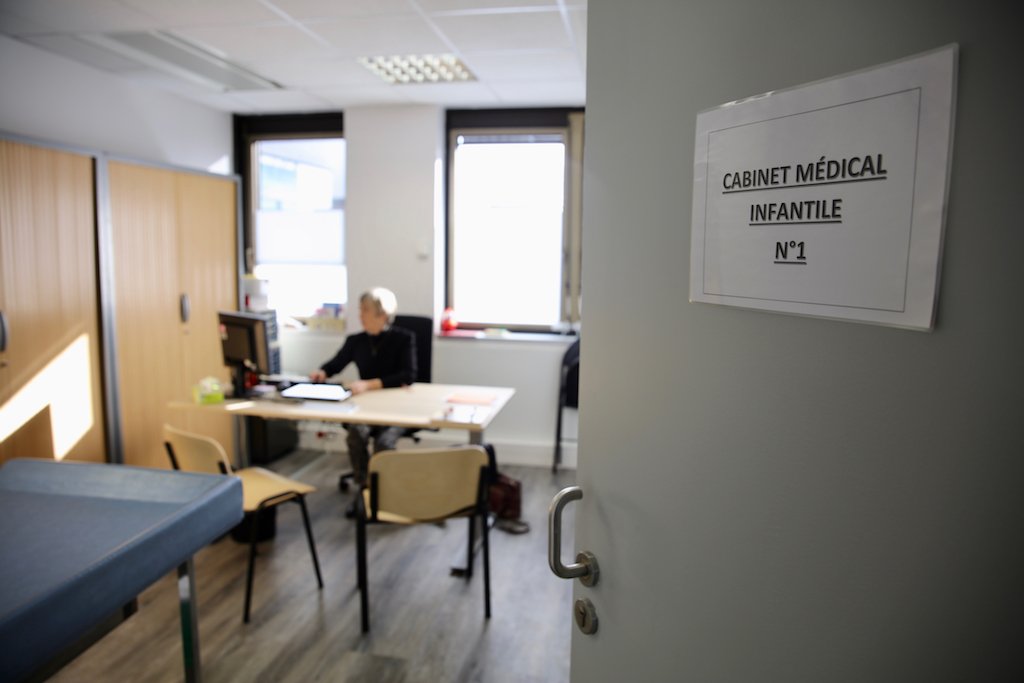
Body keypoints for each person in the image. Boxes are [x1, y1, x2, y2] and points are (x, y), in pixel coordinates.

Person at [310, 287, 416, 510]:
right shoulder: (356, 341)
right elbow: (335, 364)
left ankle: (384, 491)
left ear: (382, 314)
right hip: (365, 408)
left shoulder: (403, 339)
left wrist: (369, 384)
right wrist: (322, 372)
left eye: (365, 310)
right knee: (356, 433)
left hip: (397, 409)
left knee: (384, 442)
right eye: (360, 309)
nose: (360, 315)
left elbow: (408, 375)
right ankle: (365, 487)